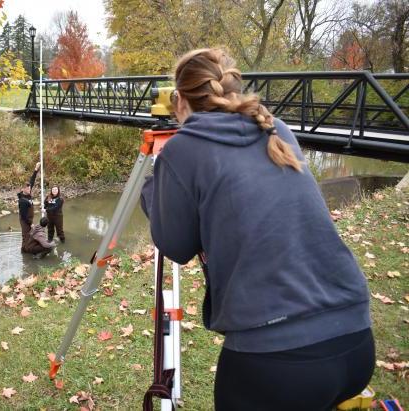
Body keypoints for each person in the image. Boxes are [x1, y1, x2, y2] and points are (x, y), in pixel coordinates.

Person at [140, 48, 374, 411]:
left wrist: (153, 186)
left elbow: (176, 245)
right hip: (356, 342)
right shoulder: (273, 126)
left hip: (277, 365)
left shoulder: (184, 149)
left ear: (180, 99)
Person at [17, 162, 41, 249]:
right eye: (27, 188)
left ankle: (26, 249)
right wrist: (30, 223)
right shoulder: (22, 200)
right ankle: (24, 252)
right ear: (23, 189)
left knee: (29, 235)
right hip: (25, 220)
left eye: (29, 188)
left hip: (28, 218)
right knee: (26, 236)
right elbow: (23, 215)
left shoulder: (28, 193)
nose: (29, 189)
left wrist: (36, 169)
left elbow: (32, 180)